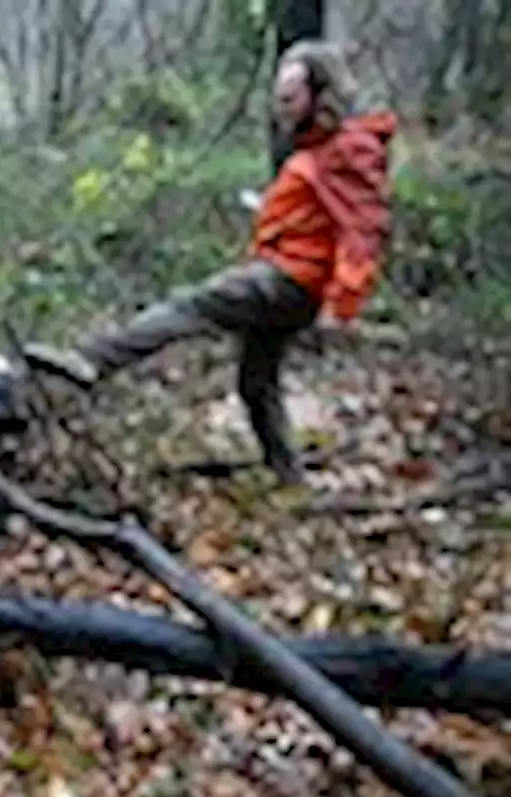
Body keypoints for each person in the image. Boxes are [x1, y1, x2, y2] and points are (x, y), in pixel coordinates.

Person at [24, 40, 396, 486]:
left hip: (291, 280)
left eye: (290, 97)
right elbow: (315, 218)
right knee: (257, 383)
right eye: (278, 97)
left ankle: (90, 361)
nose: (280, 108)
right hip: (288, 273)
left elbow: (364, 230)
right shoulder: (317, 150)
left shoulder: (348, 149)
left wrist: (343, 303)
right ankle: (291, 480)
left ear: (321, 95)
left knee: (192, 305)